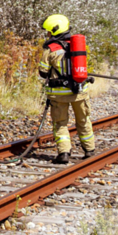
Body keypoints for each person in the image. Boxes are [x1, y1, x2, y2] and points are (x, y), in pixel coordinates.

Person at [38, 14, 95, 164]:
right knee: (83, 121)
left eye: (49, 31)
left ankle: (64, 153)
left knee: (61, 123)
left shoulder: (50, 49)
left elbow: (43, 72)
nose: (48, 34)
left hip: (59, 95)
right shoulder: (79, 46)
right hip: (80, 92)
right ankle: (89, 150)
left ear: (54, 31)